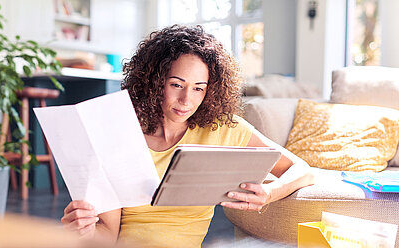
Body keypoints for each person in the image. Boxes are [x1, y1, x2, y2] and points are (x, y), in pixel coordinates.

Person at [61, 25, 314, 247]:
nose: (186, 100)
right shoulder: (120, 135)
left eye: (198, 89)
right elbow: (107, 234)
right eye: (176, 85)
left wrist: (271, 193)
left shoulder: (223, 129)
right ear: (154, 81)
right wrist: (84, 230)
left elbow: (303, 170)